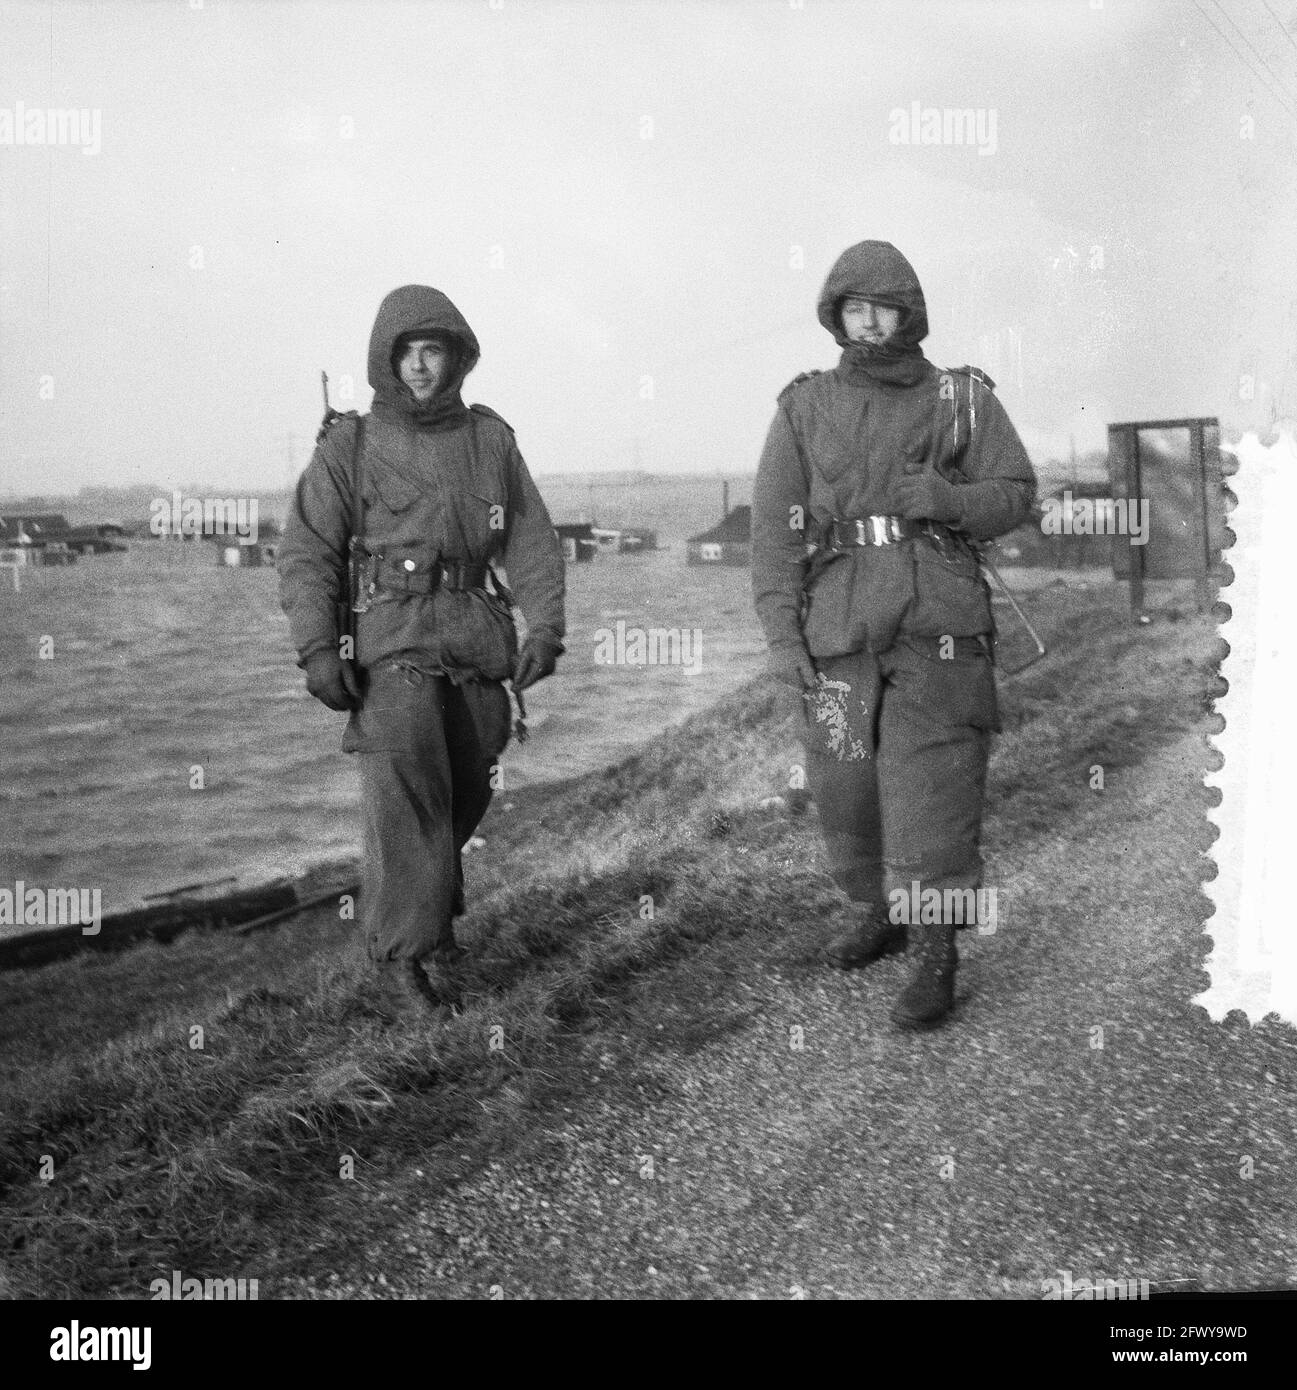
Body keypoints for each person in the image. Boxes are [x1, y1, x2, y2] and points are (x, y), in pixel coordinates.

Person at [751, 240, 1036, 1028]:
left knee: (932, 784)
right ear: (834, 316)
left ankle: (937, 950)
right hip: (838, 623)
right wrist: (783, 639)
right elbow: (774, 533)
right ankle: (879, 910)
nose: (868, 323)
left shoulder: (960, 398)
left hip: (935, 619)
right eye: (852, 308)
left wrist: (948, 498)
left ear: (908, 312)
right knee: (845, 783)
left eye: (882, 307)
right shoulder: (803, 407)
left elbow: (1016, 494)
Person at [278, 284, 566, 1022]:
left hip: (475, 638)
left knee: (468, 785)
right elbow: (308, 550)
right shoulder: (351, 444)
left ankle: (430, 919)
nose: (417, 366)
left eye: (430, 350)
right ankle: (401, 960)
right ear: (384, 360)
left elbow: (531, 536)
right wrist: (318, 649)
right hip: (390, 645)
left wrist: (545, 628)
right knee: (406, 798)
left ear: (456, 356)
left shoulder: (490, 440)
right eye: (403, 352)